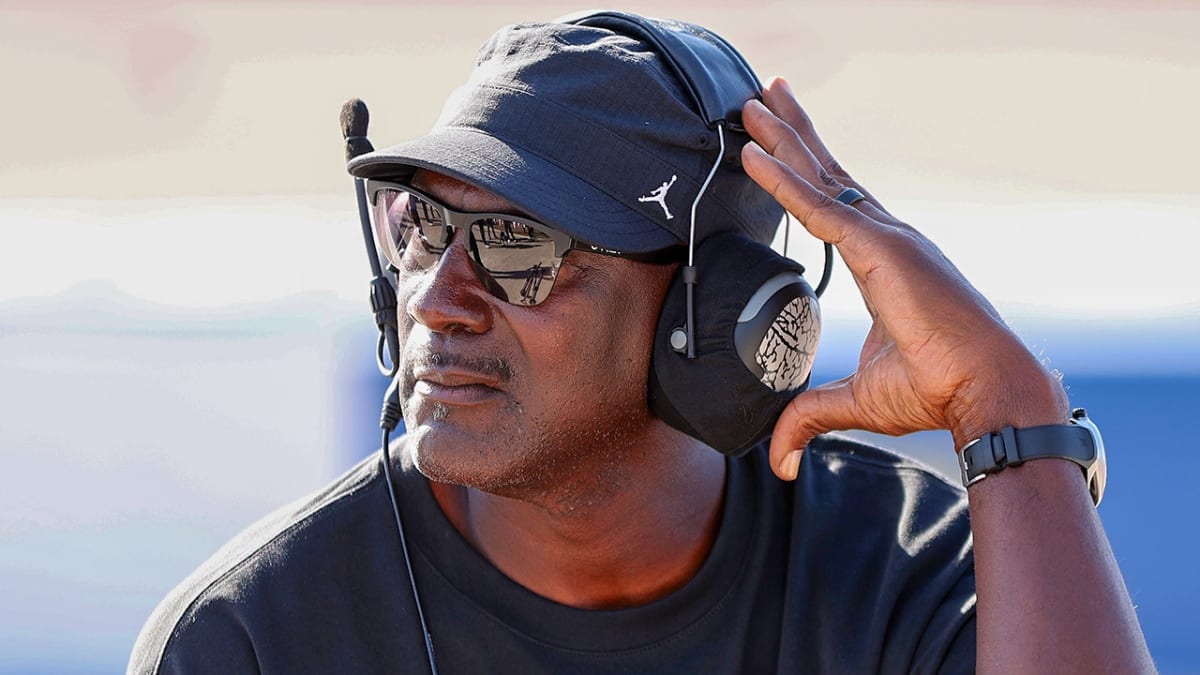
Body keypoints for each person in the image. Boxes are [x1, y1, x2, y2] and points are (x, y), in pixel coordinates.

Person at [129, 12, 1154, 674]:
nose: (438, 299)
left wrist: (1007, 405)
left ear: (711, 322)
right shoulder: (254, 640)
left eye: (517, 245)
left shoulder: (915, 573)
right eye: (421, 228)